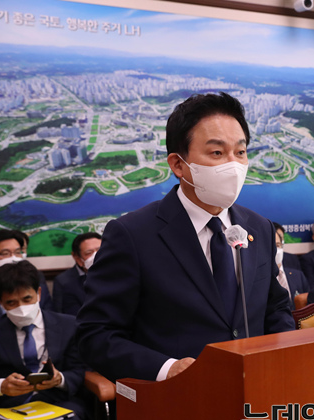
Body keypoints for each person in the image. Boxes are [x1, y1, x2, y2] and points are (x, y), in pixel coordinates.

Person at [76, 92, 295, 385]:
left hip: (255, 394)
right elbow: (95, 334)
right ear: (178, 164)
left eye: (240, 152)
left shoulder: (260, 227)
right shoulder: (132, 234)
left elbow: (275, 308)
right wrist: (167, 369)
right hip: (172, 400)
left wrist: (282, 356)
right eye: (217, 153)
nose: (233, 165)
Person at [0, 261, 87, 420]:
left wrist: (60, 379)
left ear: (39, 293)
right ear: (0, 302)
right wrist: (1, 386)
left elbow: (78, 369)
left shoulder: (68, 325)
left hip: (58, 403)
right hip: (10, 409)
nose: (21, 308)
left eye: (27, 299)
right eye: (11, 303)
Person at [0, 230, 53, 322]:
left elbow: (49, 314)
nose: (13, 258)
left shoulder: (37, 277)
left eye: (17, 252)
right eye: (5, 253)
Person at [52, 232, 102, 316]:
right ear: (77, 257)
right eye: (89, 253)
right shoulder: (64, 282)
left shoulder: (118, 274)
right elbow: (66, 317)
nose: (96, 256)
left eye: (100, 250)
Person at [274, 225, 309, 309]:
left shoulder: (298, 275)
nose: (275, 250)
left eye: (278, 245)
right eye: (271, 246)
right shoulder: (259, 279)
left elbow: (309, 302)